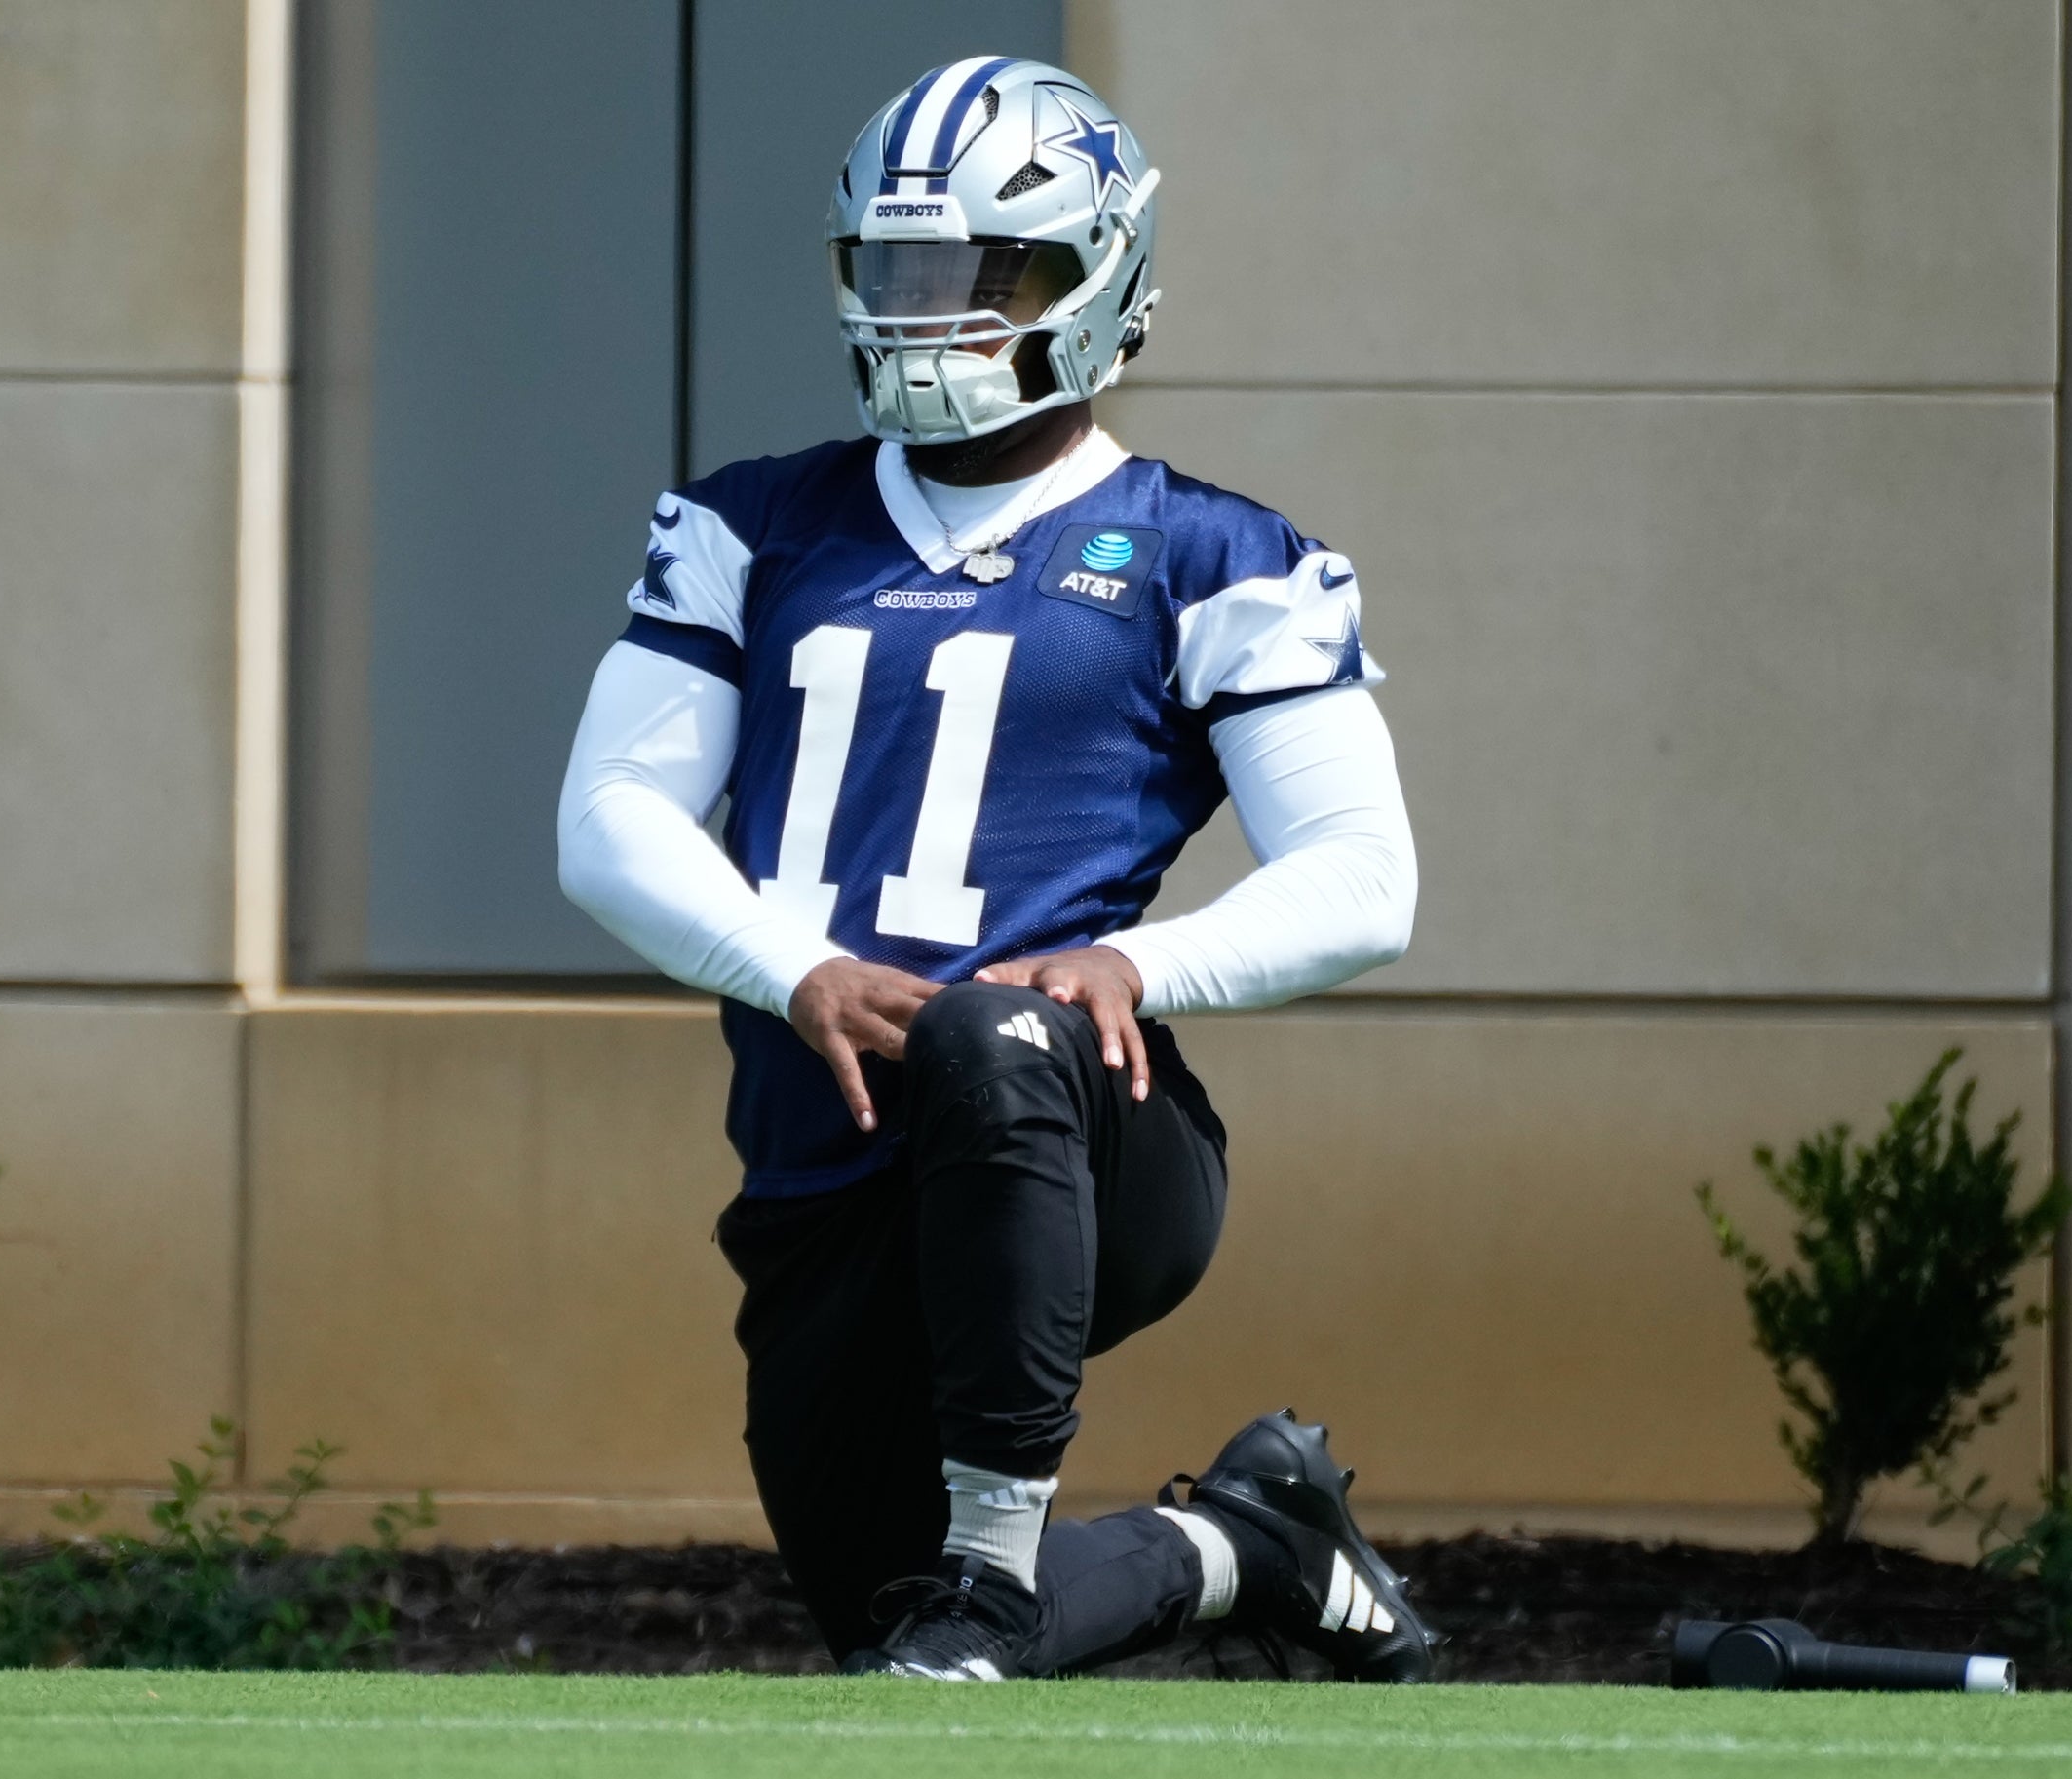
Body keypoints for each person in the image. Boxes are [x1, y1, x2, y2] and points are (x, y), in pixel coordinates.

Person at [559, 57, 1428, 1682]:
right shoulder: (755, 524)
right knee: (917, 1643)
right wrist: (793, 970)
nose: (935, 315)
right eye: (899, 273)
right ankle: (1250, 1545)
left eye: (988, 274)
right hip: (825, 1167)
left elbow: (1364, 875)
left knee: (987, 1028)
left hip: (1091, 1145)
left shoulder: (1208, 551)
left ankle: (999, 1545)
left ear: (1099, 277)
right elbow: (607, 820)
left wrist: (1137, 964)